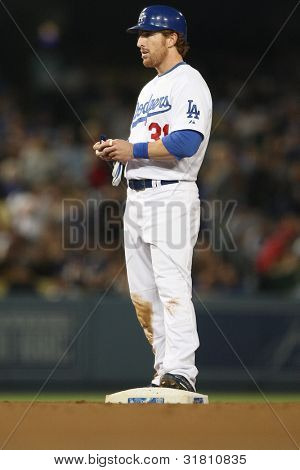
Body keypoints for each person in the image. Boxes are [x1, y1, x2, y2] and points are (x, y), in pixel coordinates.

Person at [93, 5, 212, 392]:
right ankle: (164, 371)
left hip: (172, 194)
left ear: (172, 38)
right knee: (142, 292)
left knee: (172, 286)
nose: (140, 42)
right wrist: (118, 154)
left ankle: (183, 371)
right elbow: (142, 146)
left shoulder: (188, 81)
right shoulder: (148, 89)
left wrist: (134, 150)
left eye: (148, 34)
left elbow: (186, 140)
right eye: (139, 35)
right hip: (139, 197)